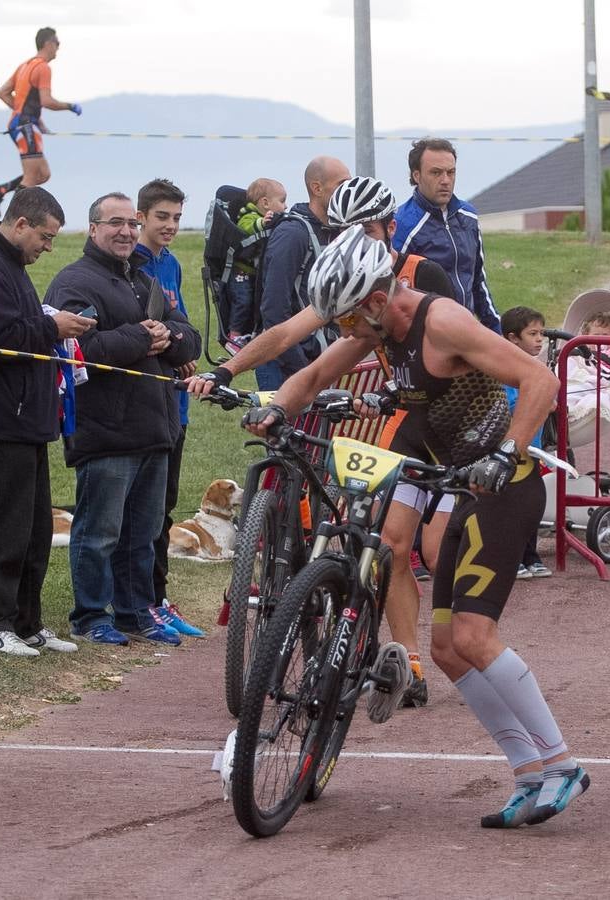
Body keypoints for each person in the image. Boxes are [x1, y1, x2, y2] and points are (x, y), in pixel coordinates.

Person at [244, 228, 589, 827]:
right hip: (457, 483)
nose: (343, 331)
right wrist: (276, 408)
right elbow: (314, 377)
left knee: (476, 638)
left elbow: (541, 380)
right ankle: (528, 773)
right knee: (447, 651)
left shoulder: (443, 322)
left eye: (348, 318)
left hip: (504, 484)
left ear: (377, 301)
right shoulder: (375, 328)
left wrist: (507, 452)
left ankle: (561, 766)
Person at [190, 175, 455, 707]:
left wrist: (392, 389)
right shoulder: (345, 278)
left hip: (452, 421)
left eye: (361, 228)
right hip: (405, 421)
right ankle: (409, 662)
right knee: (392, 547)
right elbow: (290, 334)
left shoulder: (422, 276)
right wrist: (227, 369)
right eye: (339, 229)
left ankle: (459, 643)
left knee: (436, 550)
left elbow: (450, 351)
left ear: (388, 226)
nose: (348, 238)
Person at [48, 192, 199, 646]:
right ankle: (91, 615)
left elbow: (188, 338)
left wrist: (168, 336)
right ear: (92, 229)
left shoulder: (142, 279)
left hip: (155, 425)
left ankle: (136, 612)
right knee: (98, 533)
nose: (126, 232)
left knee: (145, 531)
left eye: (132, 224)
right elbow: (77, 353)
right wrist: (140, 336)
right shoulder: (74, 283)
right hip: (105, 431)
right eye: (115, 223)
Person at [0, 186, 91, 660]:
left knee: (34, 529)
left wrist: (49, 322)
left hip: (28, 419)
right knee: (3, 525)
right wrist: (53, 327)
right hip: (0, 419)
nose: (48, 248)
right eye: (46, 237)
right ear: (19, 225)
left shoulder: (10, 266)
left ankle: (26, 623)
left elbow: (18, 328)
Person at [130, 177, 204, 639]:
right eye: (162, 217)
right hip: (145, 405)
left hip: (177, 404)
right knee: (145, 512)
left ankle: (158, 598)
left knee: (165, 508)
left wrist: (182, 344)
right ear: (140, 217)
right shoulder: (130, 263)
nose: (171, 226)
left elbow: (182, 326)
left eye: (177, 217)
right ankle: (141, 602)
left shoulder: (171, 263)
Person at [253, 156, 349, 390]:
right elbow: (274, 309)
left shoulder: (335, 231)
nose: (348, 191)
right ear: (316, 188)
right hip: (286, 365)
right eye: (341, 184)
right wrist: (301, 369)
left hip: (321, 359)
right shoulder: (293, 234)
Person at [392, 138, 500, 332]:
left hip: (466, 330)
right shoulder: (402, 224)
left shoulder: (468, 216)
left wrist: (496, 331)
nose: (445, 180)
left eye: (451, 172)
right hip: (427, 338)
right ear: (416, 176)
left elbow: (478, 281)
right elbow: (392, 292)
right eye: (436, 172)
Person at [0, 27, 82, 217]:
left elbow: (3, 93)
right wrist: (70, 106)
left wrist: (29, 117)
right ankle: (10, 223)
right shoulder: (43, 67)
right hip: (25, 127)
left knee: (43, 174)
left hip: (23, 124)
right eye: (57, 43)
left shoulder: (25, 66)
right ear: (48, 44)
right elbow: (47, 101)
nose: (58, 48)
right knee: (31, 177)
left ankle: (1, 190)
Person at [502, 306, 552, 580]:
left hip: (533, 451)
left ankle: (530, 555)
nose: (539, 339)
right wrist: (540, 401)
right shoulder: (506, 369)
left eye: (541, 333)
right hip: (511, 450)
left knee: (533, 503)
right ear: (513, 339)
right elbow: (509, 405)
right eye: (532, 333)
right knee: (511, 506)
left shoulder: (539, 368)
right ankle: (513, 557)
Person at [225, 177, 288, 343]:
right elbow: (245, 228)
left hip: (255, 273)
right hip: (241, 272)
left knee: (256, 302)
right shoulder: (248, 215)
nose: (286, 206)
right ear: (265, 203)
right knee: (243, 301)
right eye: (282, 201)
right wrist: (262, 222)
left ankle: (252, 332)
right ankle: (234, 334)